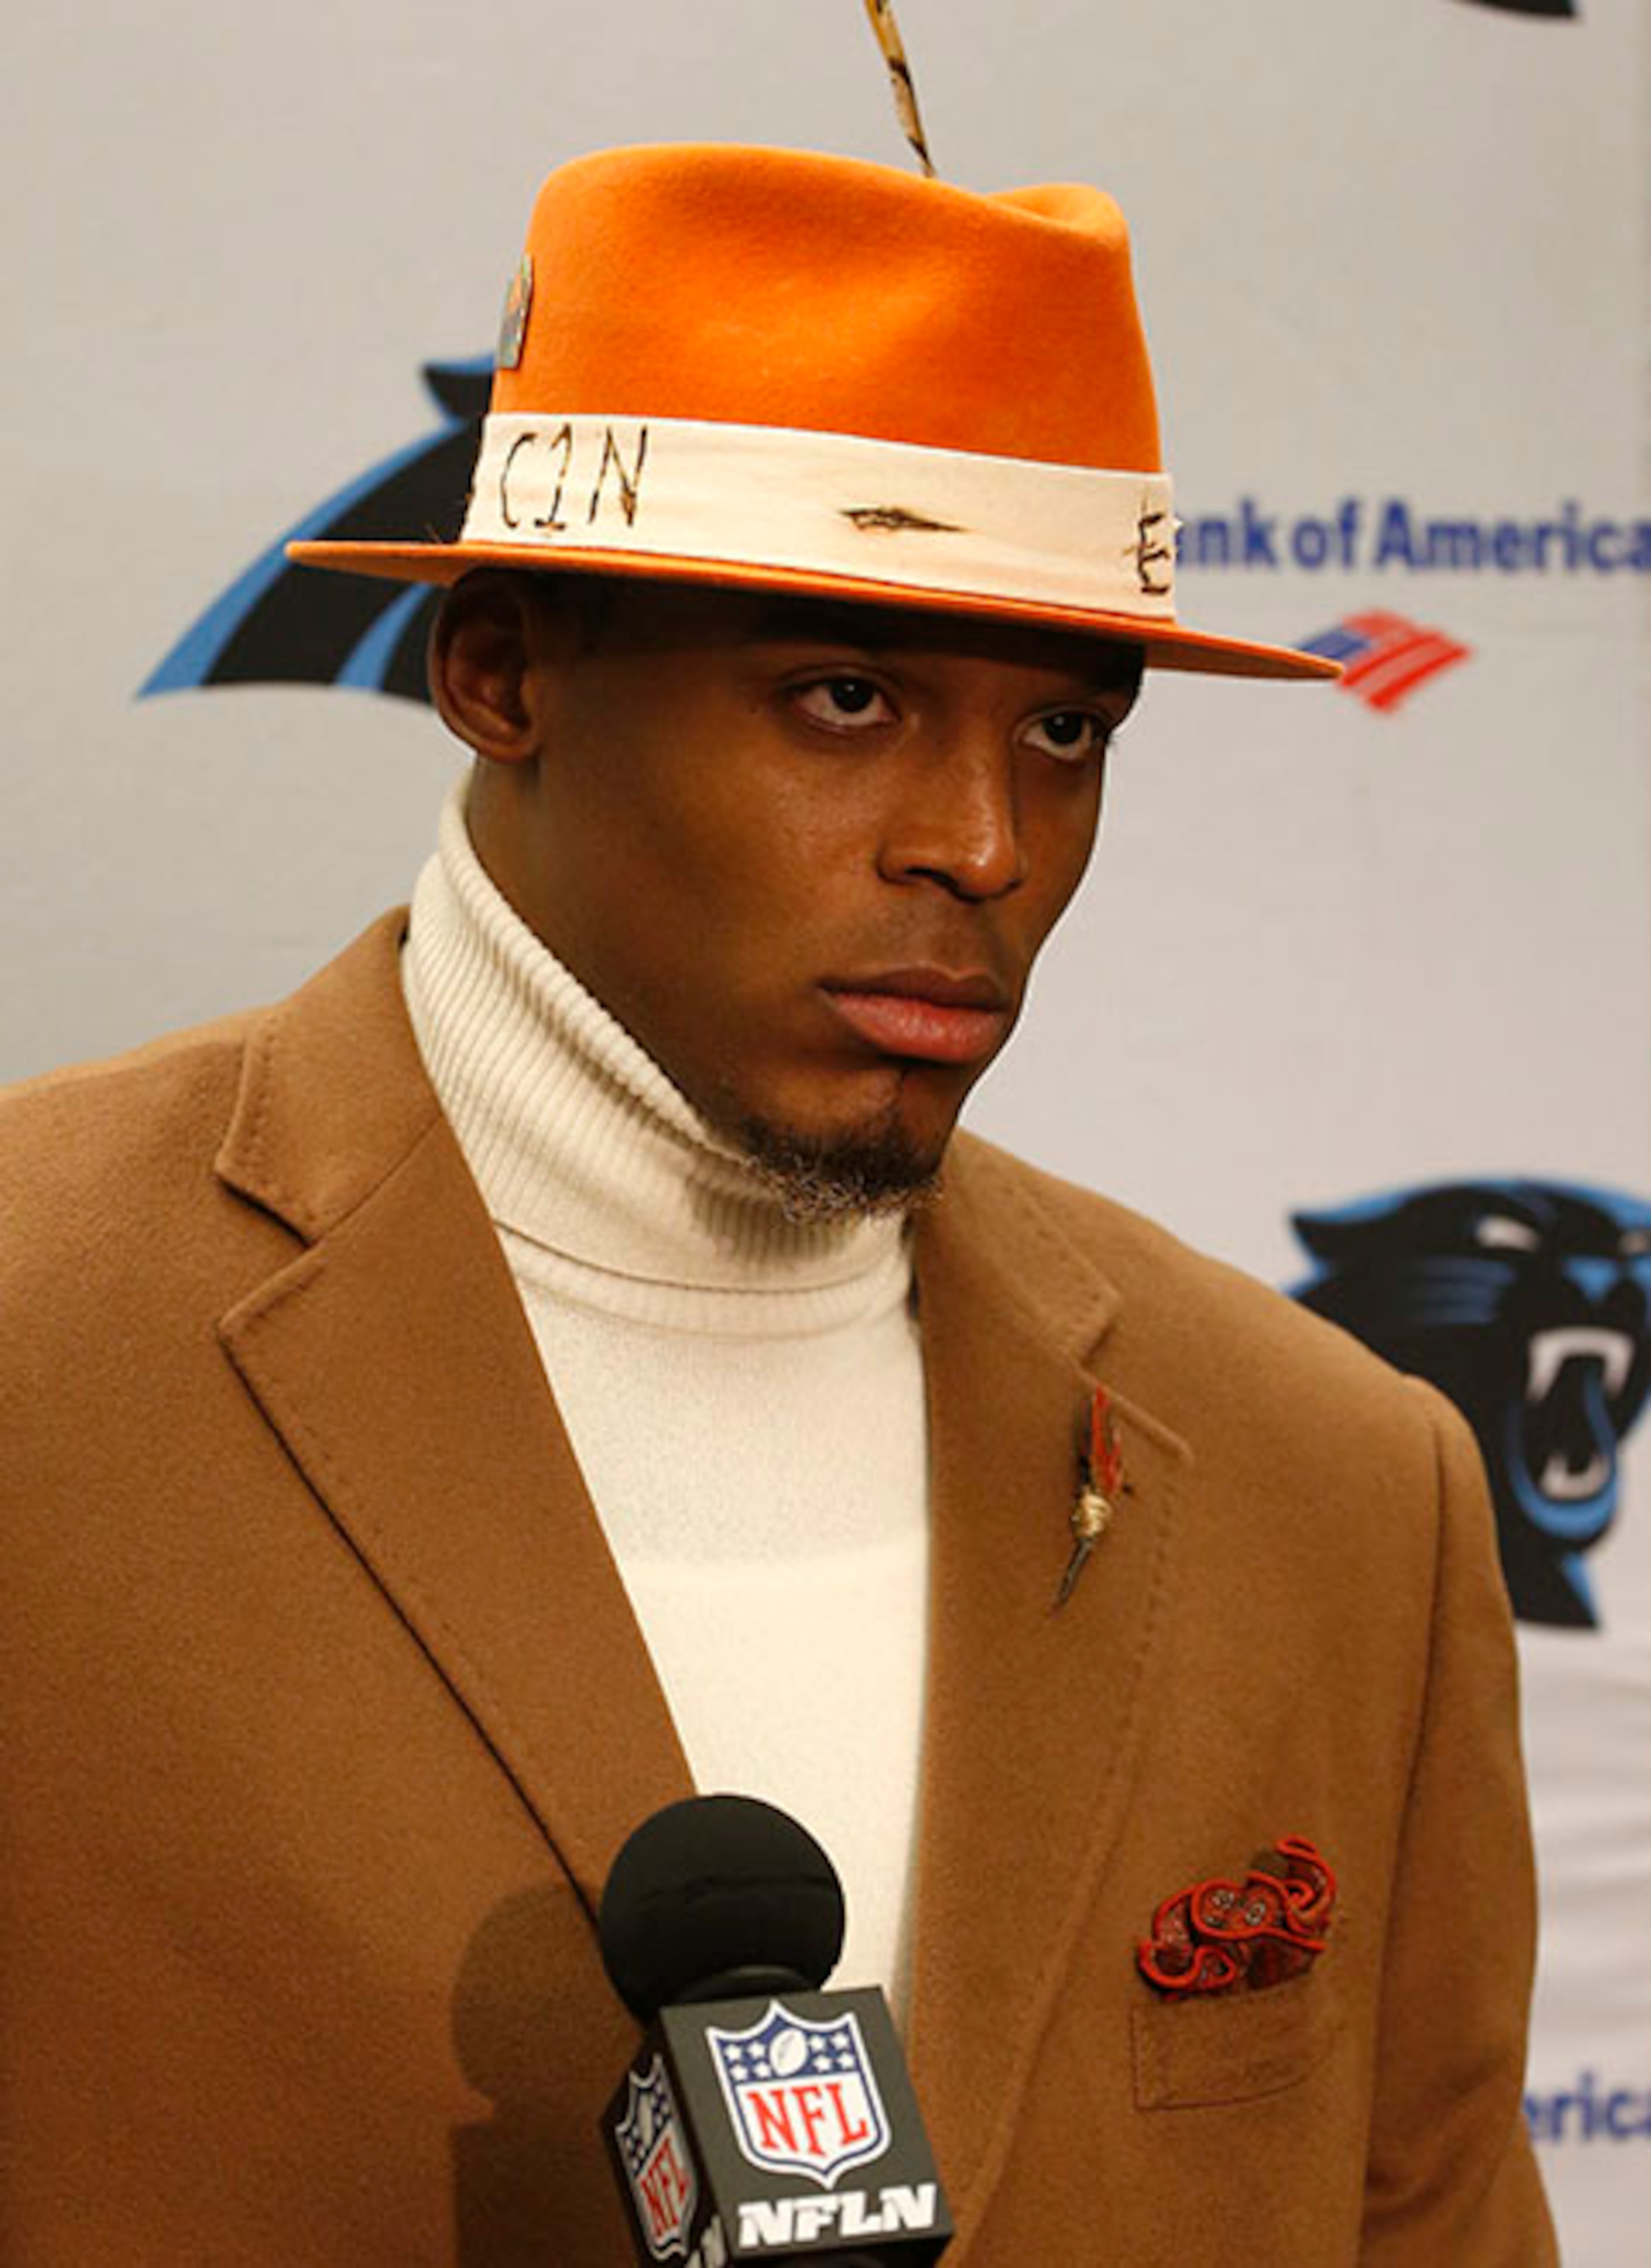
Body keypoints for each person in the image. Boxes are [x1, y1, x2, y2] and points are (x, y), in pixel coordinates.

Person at [0, 143, 1554, 2264]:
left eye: (1072, 729)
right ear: (502, 671)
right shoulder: (34, 1342)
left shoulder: (1347, 1491)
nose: (988, 845)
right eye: (847, 695)